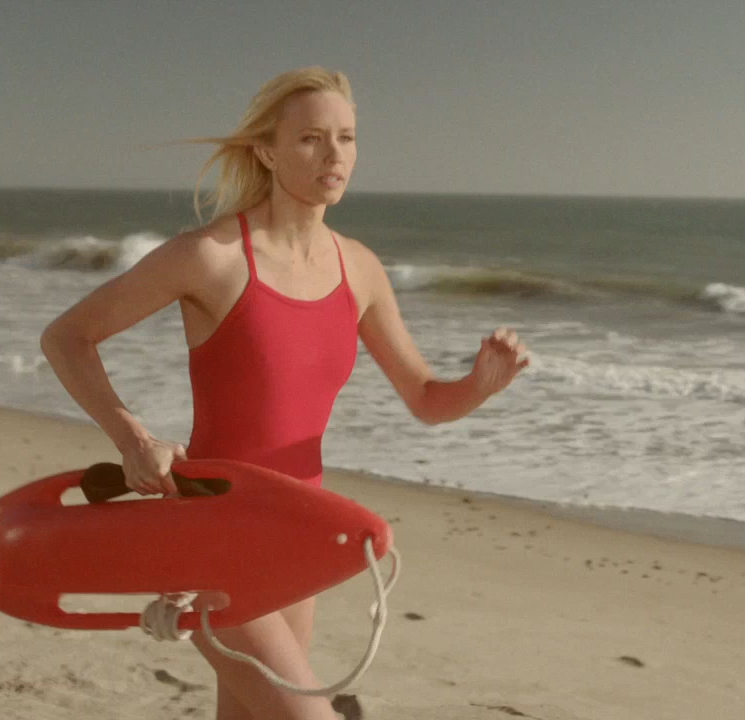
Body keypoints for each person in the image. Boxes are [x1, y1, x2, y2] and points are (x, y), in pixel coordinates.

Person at [39, 66, 530, 720]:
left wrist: (480, 385)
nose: (335, 155)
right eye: (311, 139)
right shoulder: (211, 257)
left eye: (347, 137)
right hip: (213, 528)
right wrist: (134, 439)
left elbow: (426, 399)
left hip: (301, 528)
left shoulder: (358, 267)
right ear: (268, 151)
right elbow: (67, 337)